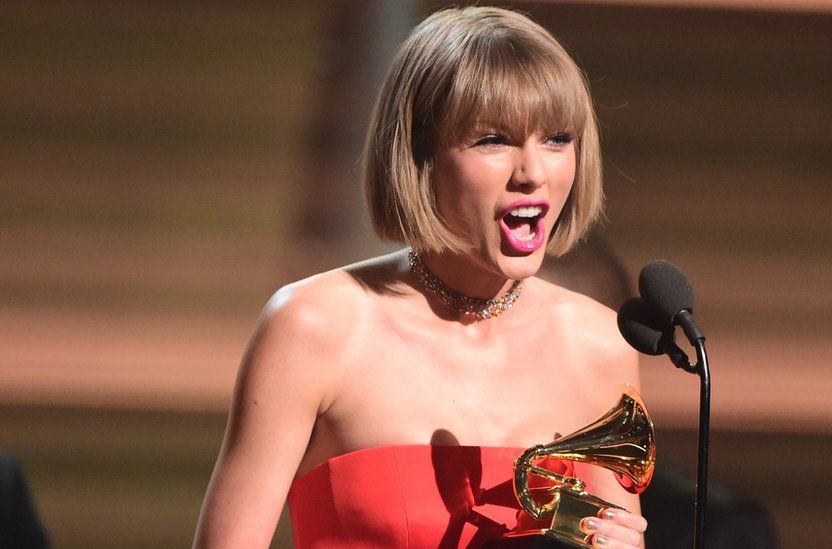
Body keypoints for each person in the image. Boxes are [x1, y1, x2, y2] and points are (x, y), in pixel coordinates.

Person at [193, 6, 646, 548]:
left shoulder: (600, 344)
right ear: (419, 154)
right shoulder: (314, 326)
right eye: (493, 140)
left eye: (557, 139)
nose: (533, 173)